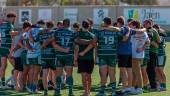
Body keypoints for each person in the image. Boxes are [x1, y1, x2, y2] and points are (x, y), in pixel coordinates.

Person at [52, 18, 75, 96]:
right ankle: (70, 91)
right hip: (69, 56)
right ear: (69, 24)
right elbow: (76, 46)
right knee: (69, 74)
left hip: (59, 56)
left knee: (58, 75)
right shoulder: (72, 33)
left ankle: (57, 91)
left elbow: (54, 44)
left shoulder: (56, 32)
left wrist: (62, 49)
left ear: (63, 24)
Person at [75, 20, 96, 96]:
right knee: (89, 76)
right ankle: (89, 91)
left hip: (81, 59)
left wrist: (75, 59)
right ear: (89, 26)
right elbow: (94, 46)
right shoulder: (92, 35)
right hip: (90, 58)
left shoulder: (78, 34)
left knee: (83, 76)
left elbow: (76, 48)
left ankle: (85, 91)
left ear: (82, 26)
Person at [130, 20, 150, 95]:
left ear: (134, 26)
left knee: (137, 72)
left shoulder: (132, 31)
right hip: (141, 55)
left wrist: (141, 48)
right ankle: (132, 87)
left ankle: (140, 88)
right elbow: (148, 41)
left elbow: (148, 41)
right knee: (134, 72)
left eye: (131, 25)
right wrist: (142, 48)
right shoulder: (144, 32)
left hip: (135, 55)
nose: (130, 26)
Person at [0, 12, 16, 88]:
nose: (14, 20)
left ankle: (3, 84)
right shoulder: (9, 25)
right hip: (7, 47)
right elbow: (11, 33)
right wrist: (19, 33)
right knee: (16, 66)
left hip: (2, 46)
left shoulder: (2, 24)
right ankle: (13, 82)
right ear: (11, 17)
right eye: (14, 18)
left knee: (3, 66)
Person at [40, 21, 56, 96]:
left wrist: (44, 44)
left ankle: (45, 91)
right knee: (55, 74)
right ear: (53, 26)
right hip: (52, 56)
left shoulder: (42, 34)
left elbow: (40, 44)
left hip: (43, 56)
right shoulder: (54, 33)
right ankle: (56, 90)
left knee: (45, 74)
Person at [144, 20, 161, 90]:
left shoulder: (150, 30)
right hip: (154, 52)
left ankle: (153, 86)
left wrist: (154, 44)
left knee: (149, 69)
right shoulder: (154, 30)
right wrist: (156, 45)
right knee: (151, 69)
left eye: (145, 24)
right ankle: (153, 85)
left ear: (148, 24)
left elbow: (149, 39)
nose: (143, 25)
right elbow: (159, 40)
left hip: (150, 52)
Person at [153, 24, 167, 91]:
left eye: (156, 29)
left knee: (160, 70)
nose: (155, 30)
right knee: (156, 70)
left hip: (161, 55)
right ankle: (161, 85)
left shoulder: (160, 36)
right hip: (156, 55)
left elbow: (159, 43)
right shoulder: (154, 35)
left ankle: (164, 86)